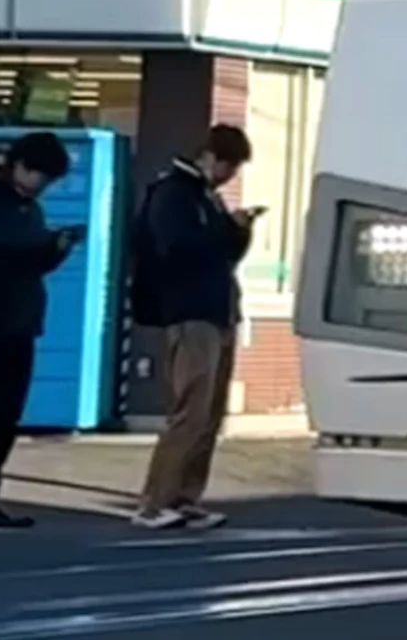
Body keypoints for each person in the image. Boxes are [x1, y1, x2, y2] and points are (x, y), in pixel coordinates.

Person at [0, 130, 81, 528]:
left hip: (19, 319)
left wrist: (56, 247)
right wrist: (37, 244)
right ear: (20, 165)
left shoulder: (29, 208)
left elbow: (33, 262)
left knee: (7, 413)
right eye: (40, 175)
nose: (42, 185)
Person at [132, 124, 258, 531]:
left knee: (209, 415)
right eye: (228, 167)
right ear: (210, 157)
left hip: (219, 310)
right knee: (190, 409)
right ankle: (155, 502)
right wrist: (224, 227)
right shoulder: (173, 193)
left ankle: (185, 497)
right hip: (189, 313)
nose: (229, 176)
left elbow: (223, 254)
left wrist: (240, 230)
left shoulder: (208, 198)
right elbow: (177, 248)